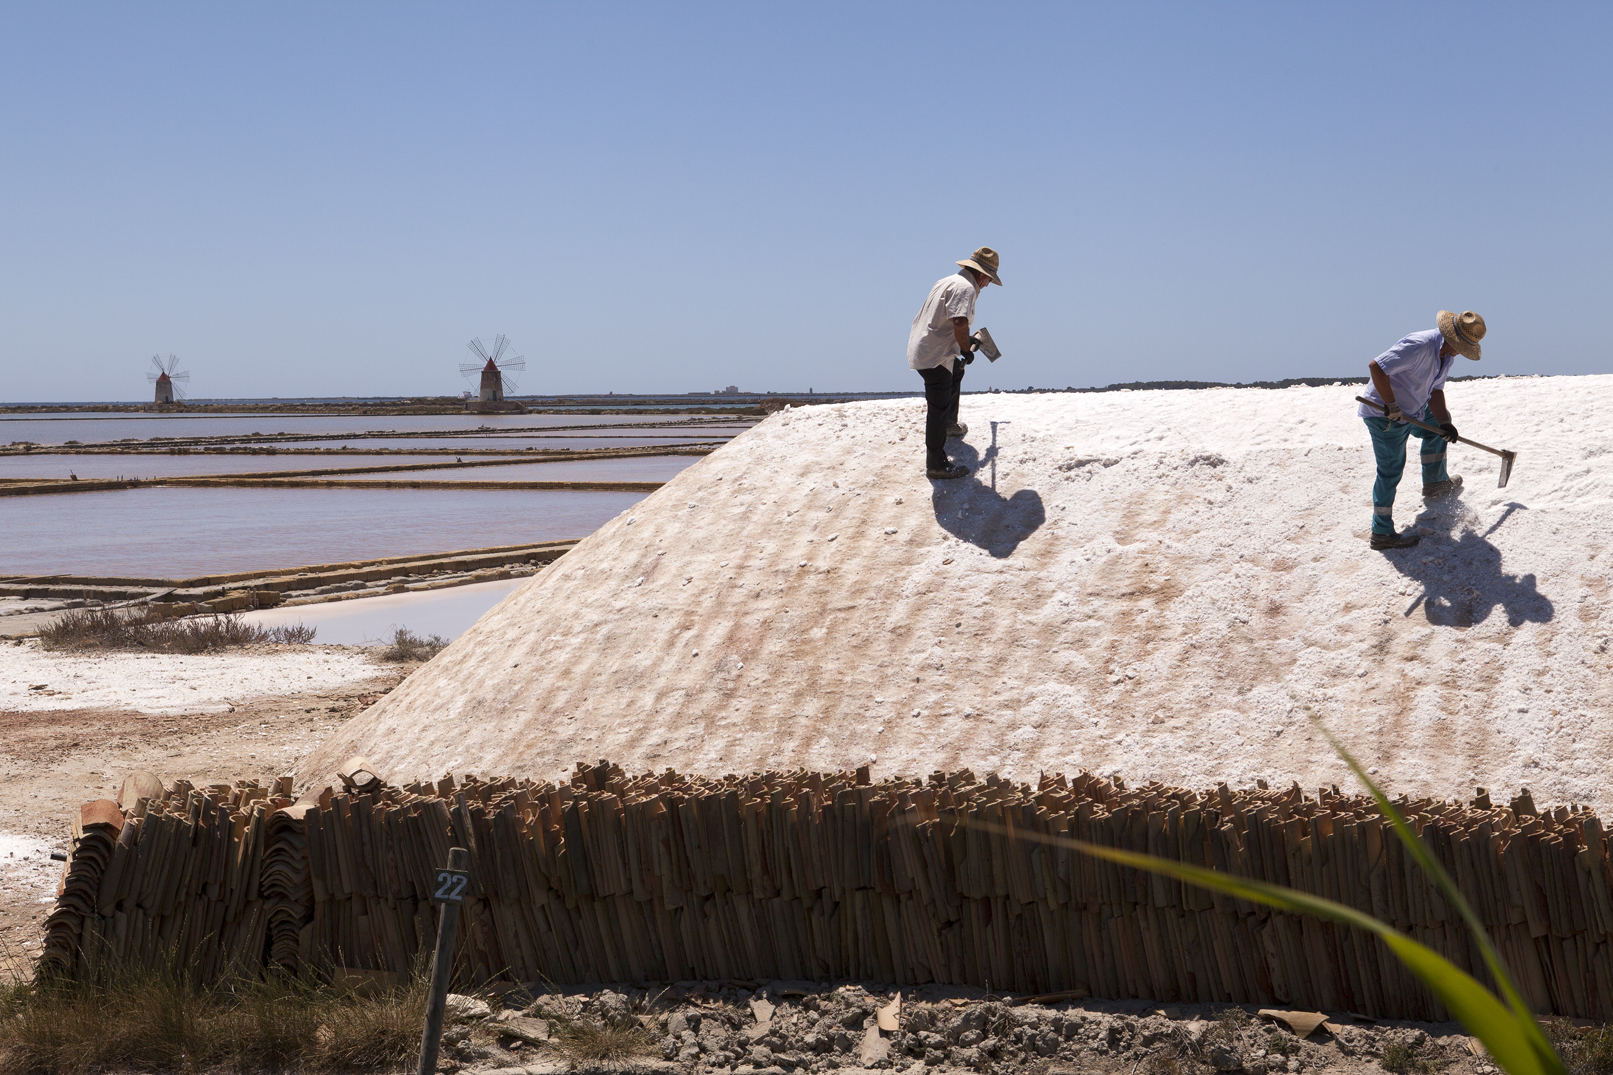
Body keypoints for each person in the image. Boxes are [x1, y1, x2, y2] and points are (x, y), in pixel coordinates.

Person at [1357, 310, 1486, 550]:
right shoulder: (1419, 345)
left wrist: (1444, 423)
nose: (1461, 352)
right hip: (1385, 415)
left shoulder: (1446, 356)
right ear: (1451, 337)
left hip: (1413, 410)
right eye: (1462, 347)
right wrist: (1391, 404)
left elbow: (1435, 391)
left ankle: (1435, 483)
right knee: (1390, 471)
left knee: (1437, 427)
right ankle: (1381, 533)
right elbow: (1377, 367)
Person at [907, 247, 1000, 479]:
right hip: (934, 354)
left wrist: (965, 347)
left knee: (956, 372)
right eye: (989, 279)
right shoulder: (966, 288)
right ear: (981, 274)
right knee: (938, 403)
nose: (987, 284)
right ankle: (936, 463)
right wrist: (967, 349)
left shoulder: (948, 281)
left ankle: (950, 424)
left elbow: (949, 323)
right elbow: (959, 323)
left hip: (930, 347)